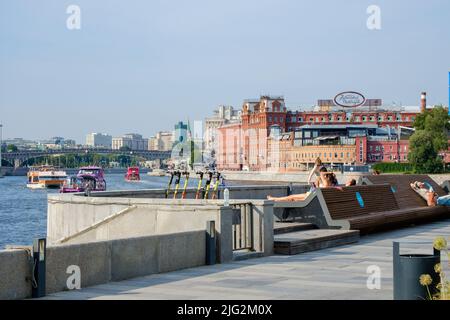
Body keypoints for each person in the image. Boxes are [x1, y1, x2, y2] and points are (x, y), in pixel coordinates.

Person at [267, 161, 338, 202]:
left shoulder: (324, 182)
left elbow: (319, 174)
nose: (319, 175)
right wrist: (330, 173)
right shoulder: (333, 182)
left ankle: (275, 199)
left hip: (312, 198)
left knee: (291, 197)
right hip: (314, 198)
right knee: (292, 198)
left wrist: (322, 172)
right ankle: (275, 199)